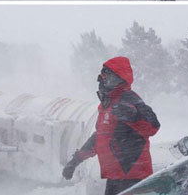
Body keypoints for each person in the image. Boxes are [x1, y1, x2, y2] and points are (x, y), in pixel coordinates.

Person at [62, 56, 160, 195]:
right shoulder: (106, 105)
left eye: (113, 78)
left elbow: (153, 126)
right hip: (115, 176)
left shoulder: (129, 98)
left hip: (133, 176)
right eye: (106, 77)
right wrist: (76, 160)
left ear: (122, 80)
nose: (107, 81)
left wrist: (133, 117)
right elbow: (100, 137)